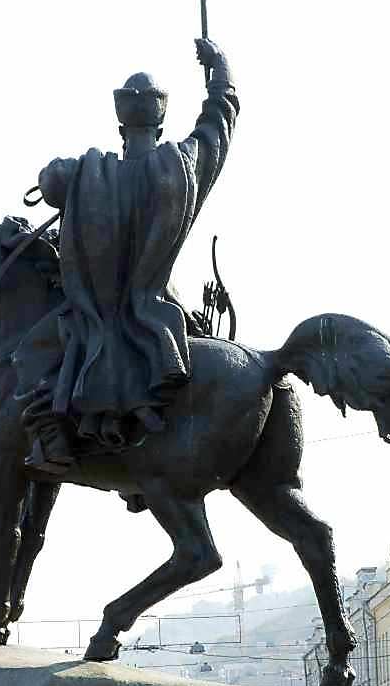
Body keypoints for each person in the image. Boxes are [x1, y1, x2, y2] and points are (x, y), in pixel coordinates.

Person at [15, 37, 239, 473]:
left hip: (94, 316)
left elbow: (49, 179)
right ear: (160, 127)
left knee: (29, 354)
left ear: (121, 129)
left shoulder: (86, 171)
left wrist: (68, 179)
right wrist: (220, 72)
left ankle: (56, 444)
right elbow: (218, 126)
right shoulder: (182, 166)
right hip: (157, 311)